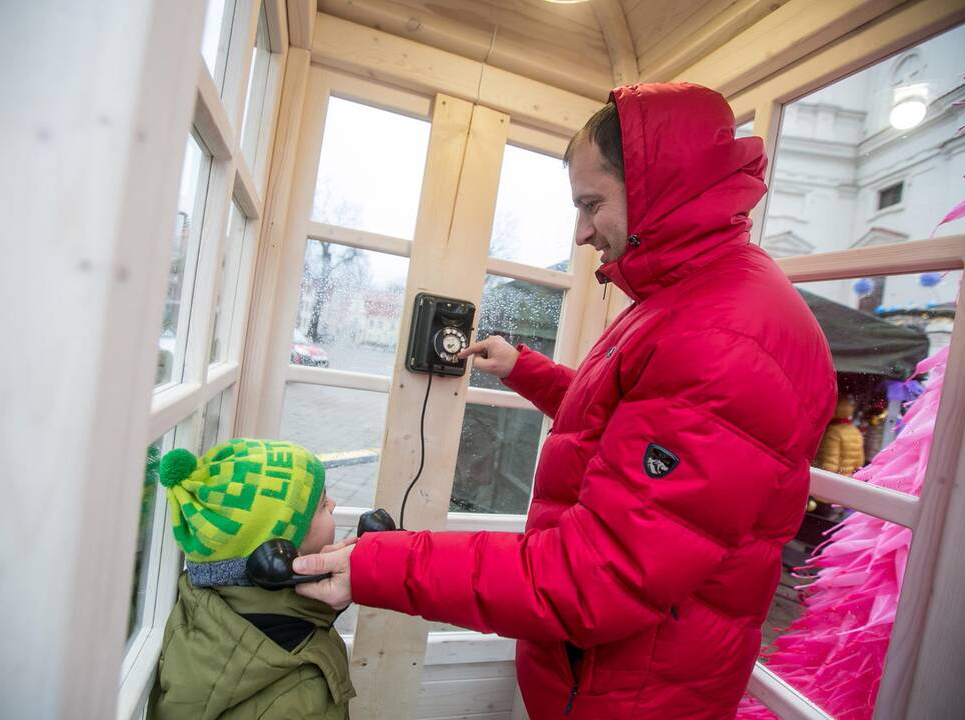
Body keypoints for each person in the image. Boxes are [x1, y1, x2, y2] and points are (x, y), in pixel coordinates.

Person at [293, 83, 837, 719]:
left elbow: (595, 576)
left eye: (592, 203)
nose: (581, 232)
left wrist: (375, 566)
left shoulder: (728, 336)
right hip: (606, 678)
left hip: (634, 697)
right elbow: (624, 416)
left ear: (664, 187)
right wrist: (526, 369)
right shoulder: (692, 300)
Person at [148, 439, 355, 720]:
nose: (333, 504)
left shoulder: (206, 602)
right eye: (321, 505)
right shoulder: (300, 696)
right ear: (276, 559)